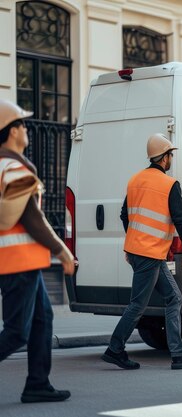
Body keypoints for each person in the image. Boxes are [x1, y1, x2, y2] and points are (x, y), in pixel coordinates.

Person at [101, 133, 182, 370]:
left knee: (173, 297)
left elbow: (124, 215)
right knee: (137, 304)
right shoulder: (169, 184)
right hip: (149, 253)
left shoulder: (135, 180)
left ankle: (178, 353)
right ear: (165, 157)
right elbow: (180, 218)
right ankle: (115, 348)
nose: (172, 159)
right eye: (171, 155)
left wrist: (132, 242)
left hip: (143, 252)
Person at [0, 99, 75, 403]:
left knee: (43, 319)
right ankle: (37, 383)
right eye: (22, 124)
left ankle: (37, 384)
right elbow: (31, 218)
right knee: (17, 331)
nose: (27, 129)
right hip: (17, 262)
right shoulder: (14, 167)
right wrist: (62, 251)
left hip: (22, 262)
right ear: (12, 130)